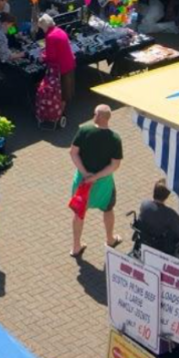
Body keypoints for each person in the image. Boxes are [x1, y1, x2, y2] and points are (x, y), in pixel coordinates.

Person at [70, 105, 123, 257]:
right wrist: (96, 177)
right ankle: (110, 239)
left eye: (94, 113)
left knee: (79, 213)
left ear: (98, 116)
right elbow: (115, 165)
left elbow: (73, 153)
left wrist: (85, 174)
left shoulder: (84, 130)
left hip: (82, 182)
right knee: (108, 209)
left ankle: (75, 247)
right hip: (104, 184)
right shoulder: (115, 138)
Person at [136, 180, 179, 257]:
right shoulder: (169, 214)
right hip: (161, 243)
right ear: (166, 196)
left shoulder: (145, 204)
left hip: (146, 237)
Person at [39, 14, 78, 104]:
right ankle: (65, 106)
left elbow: (51, 56)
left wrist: (42, 57)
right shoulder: (60, 30)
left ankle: (60, 112)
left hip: (61, 66)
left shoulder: (50, 36)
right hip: (69, 62)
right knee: (68, 87)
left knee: (62, 90)